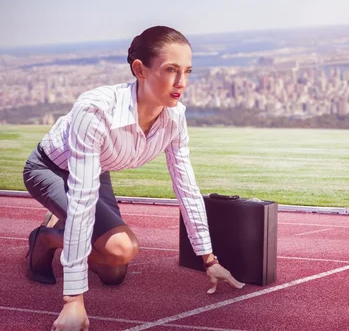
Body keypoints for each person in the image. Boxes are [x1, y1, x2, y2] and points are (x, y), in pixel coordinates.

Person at [22, 25, 245, 331]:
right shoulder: (96, 111)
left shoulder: (175, 117)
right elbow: (83, 200)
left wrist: (209, 260)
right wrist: (73, 301)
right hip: (50, 169)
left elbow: (186, 187)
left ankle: (53, 231)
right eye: (170, 70)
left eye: (187, 71)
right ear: (140, 70)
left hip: (94, 170)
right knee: (121, 249)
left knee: (113, 272)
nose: (182, 83)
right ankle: (44, 239)